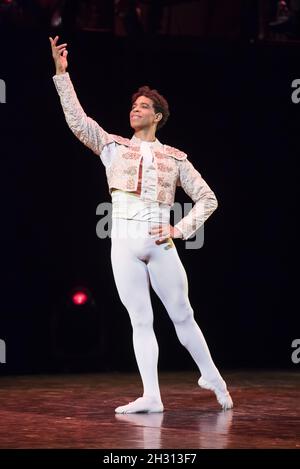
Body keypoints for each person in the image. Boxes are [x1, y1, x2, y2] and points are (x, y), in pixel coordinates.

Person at [49, 35, 233, 413]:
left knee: (183, 315)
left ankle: (211, 375)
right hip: (123, 242)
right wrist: (61, 73)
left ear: (158, 116)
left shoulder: (177, 158)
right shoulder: (113, 146)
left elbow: (208, 198)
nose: (135, 110)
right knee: (140, 320)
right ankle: (152, 396)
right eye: (134, 105)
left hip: (159, 241)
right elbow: (77, 121)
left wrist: (179, 230)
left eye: (144, 106)